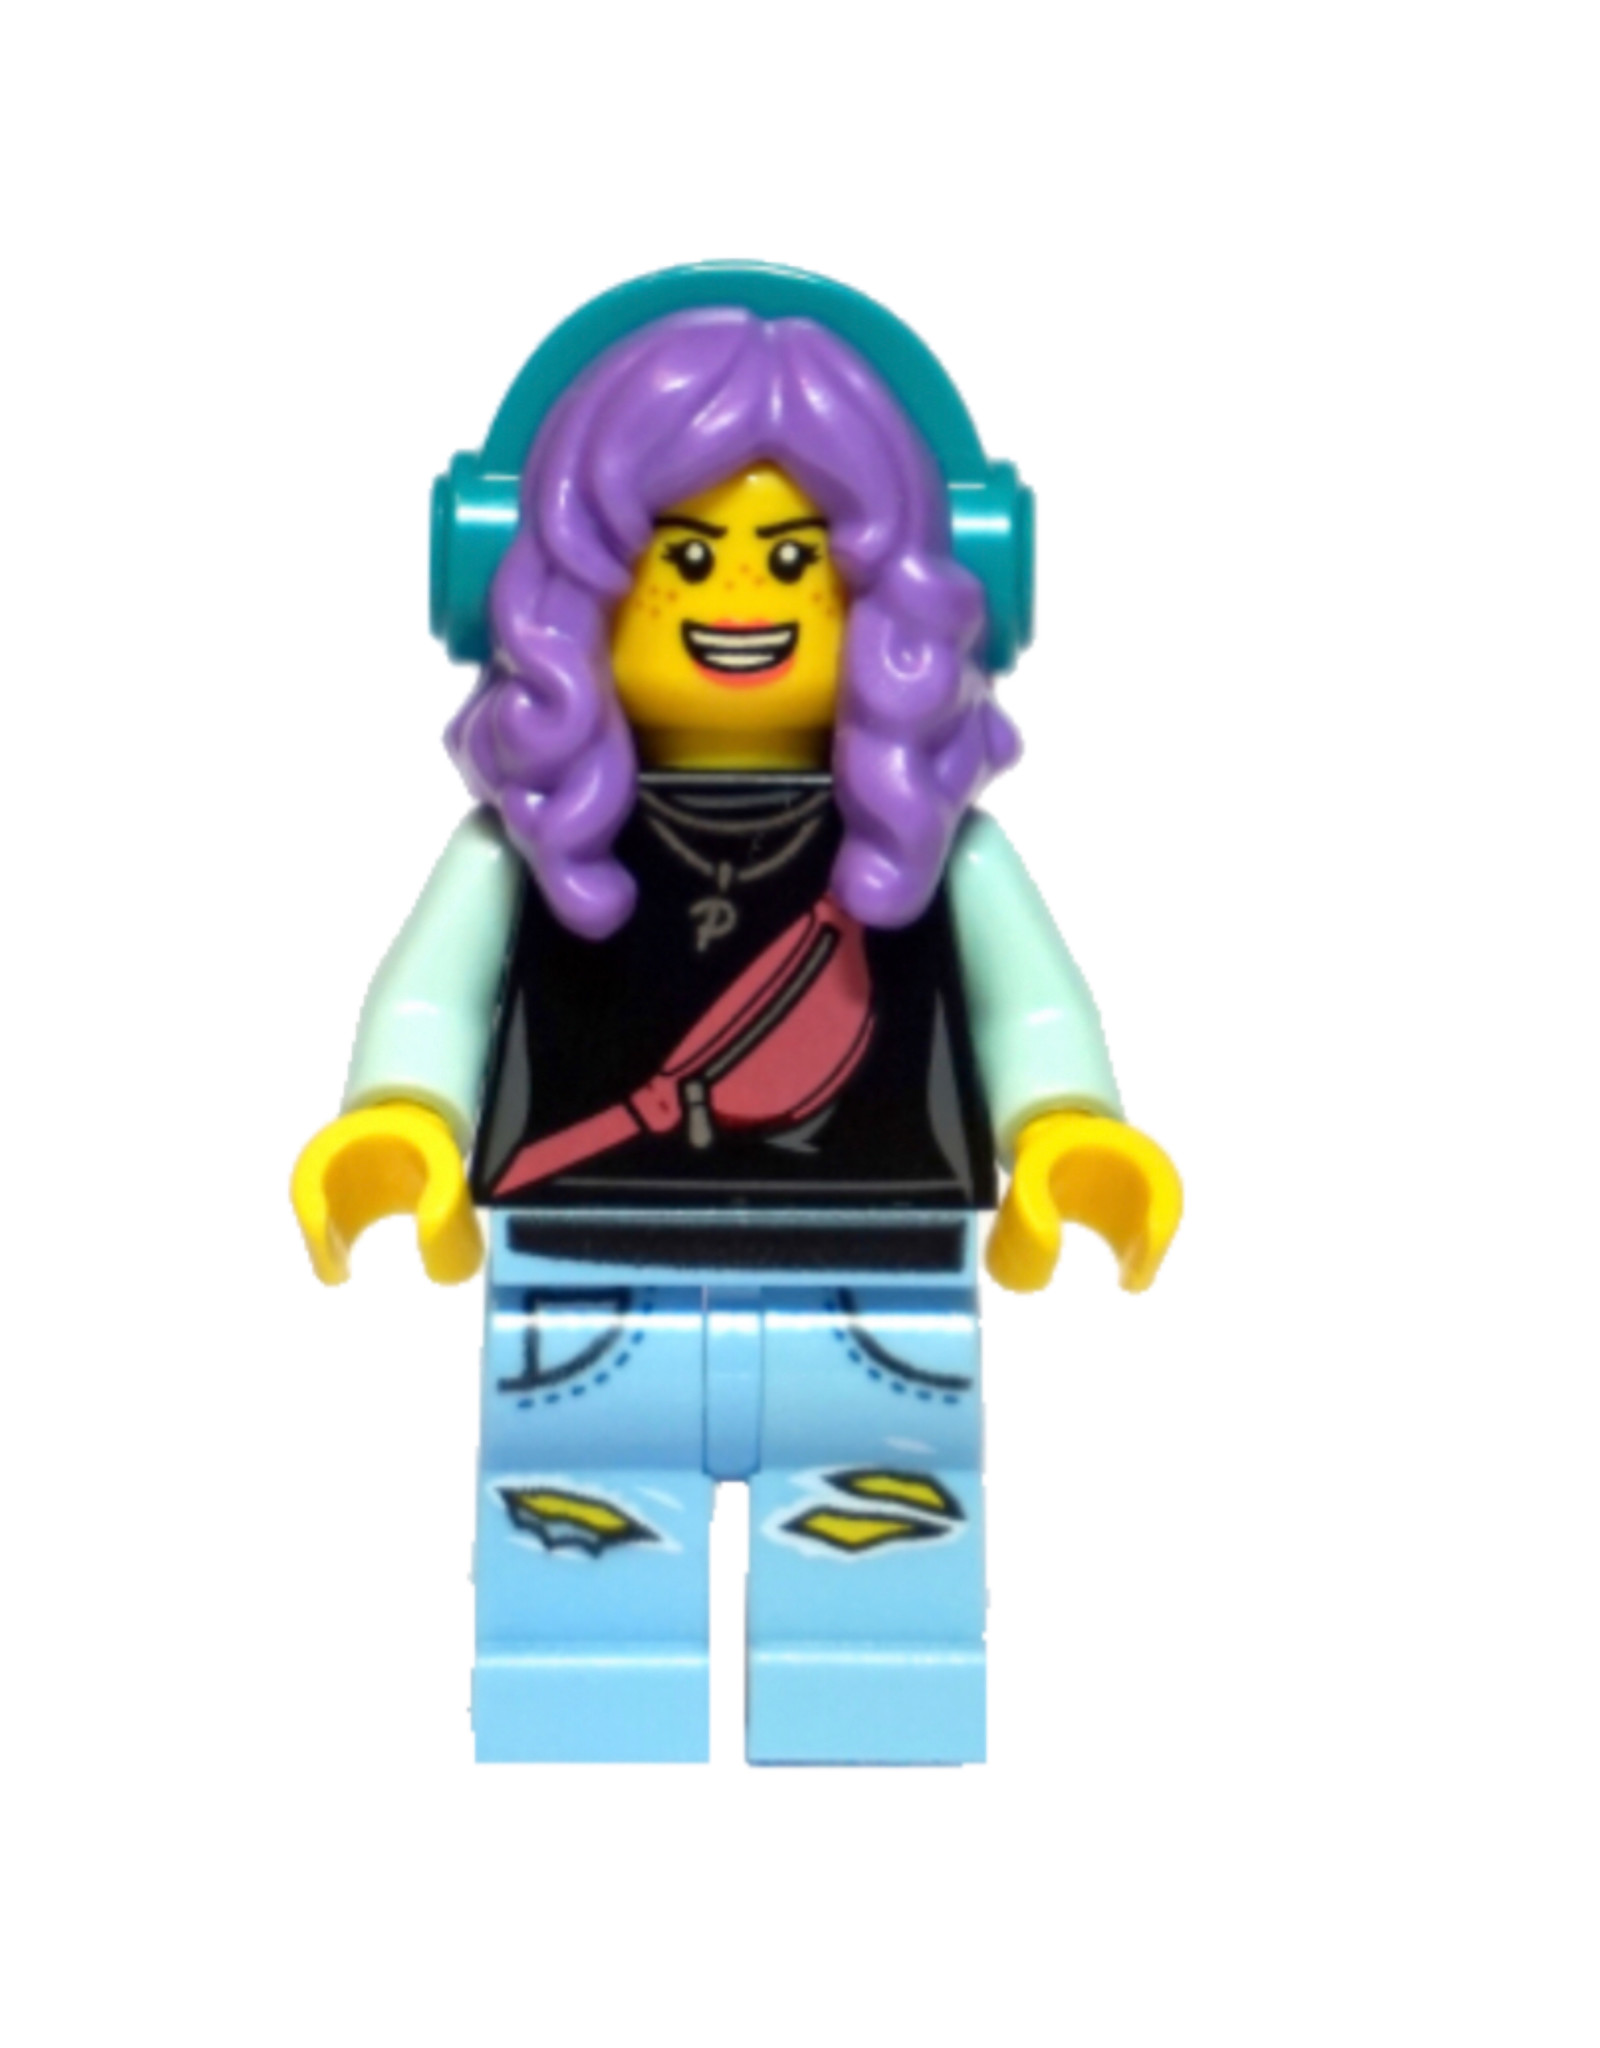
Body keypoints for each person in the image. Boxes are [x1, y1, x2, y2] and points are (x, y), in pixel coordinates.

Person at [293, 298, 1181, 1764]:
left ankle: (873, 1725)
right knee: (579, 1543)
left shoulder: (941, 848)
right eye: (688, 557)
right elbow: (432, 1001)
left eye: (796, 557)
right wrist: (399, 1116)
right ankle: (585, 1730)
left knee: (882, 1540)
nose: (742, 597)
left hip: (878, 1270)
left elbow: (1030, 1007)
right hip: (582, 1270)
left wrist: (1070, 1128)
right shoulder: (520, 844)